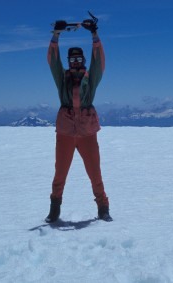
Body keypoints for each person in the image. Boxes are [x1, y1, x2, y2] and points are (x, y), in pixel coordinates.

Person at [45, 14, 112, 223]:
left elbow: (99, 62)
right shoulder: (62, 77)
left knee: (95, 172)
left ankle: (103, 208)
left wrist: (94, 34)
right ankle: (54, 210)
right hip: (66, 129)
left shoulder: (90, 78)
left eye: (78, 59)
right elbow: (52, 61)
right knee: (60, 173)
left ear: (82, 60)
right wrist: (56, 35)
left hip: (86, 130)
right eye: (72, 59)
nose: (75, 62)